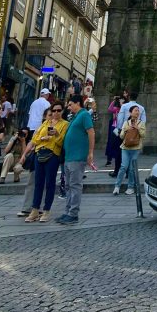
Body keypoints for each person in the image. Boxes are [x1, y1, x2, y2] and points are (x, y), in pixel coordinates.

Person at [21, 103, 68, 222]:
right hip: (39, 153)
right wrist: (42, 139)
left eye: (59, 110)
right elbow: (35, 138)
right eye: (54, 110)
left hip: (52, 155)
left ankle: (46, 210)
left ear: (62, 111)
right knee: (38, 183)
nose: (56, 113)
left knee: (50, 183)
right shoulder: (45, 123)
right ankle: (35, 210)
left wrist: (56, 134)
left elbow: (61, 143)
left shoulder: (65, 124)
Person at [55, 95, 95, 225]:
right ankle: (68, 212)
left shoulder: (84, 115)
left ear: (78, 103)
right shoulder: (75, 116)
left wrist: (90, 152)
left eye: (70, 104)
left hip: (77, 157)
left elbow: (91, 132)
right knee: (68, 186)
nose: (68, 107)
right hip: (69, 157)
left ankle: (73, 213)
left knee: (75, 185)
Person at [114, 105, 145, 196]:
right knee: (123, 166)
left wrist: (137, 128)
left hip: (136, 148)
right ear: (131, 113)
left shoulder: (141, 123)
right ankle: (117, 186)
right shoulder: (126, 123)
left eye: (138, 111)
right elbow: (121, 136)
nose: (137, 112)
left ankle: (130, 187)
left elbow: (143, 135)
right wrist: (126, 130)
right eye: (135, 110)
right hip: (125, 148)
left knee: (131, 169)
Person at [105, 96, 122, 176]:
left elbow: (109, 108)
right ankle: (110, 159)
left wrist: (114, 100)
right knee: (113, 144)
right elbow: (109, 109)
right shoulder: (117, 109)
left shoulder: (120, 109)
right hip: (116, 128)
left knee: (115, 145)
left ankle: (111, 159)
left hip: (117, 128)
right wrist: (114, 100)